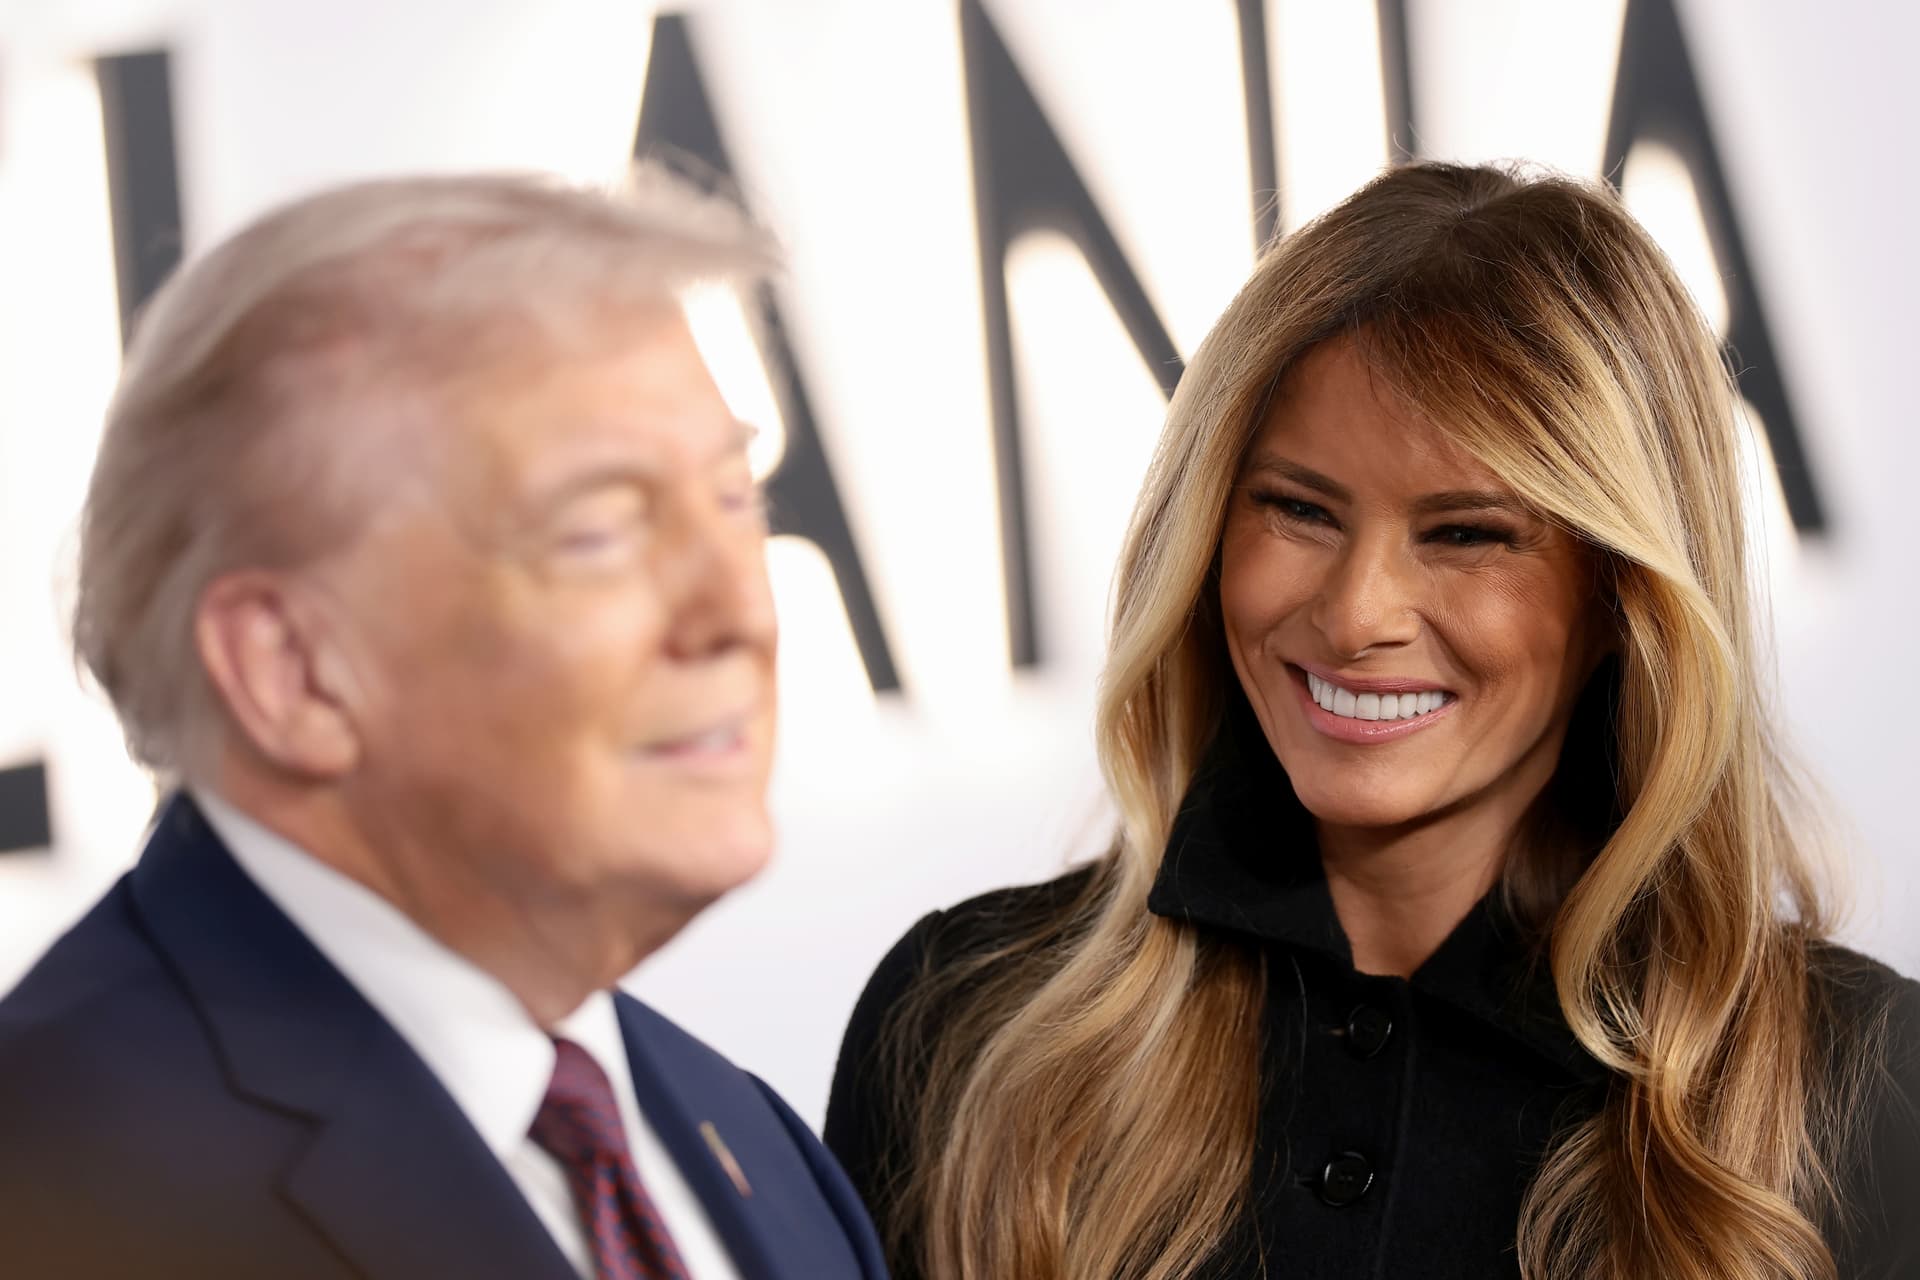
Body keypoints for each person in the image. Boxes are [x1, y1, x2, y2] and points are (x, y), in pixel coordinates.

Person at [825, 162, 1920, 1280]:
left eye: (1465, 534)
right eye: (1297, 510)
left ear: (1620, 594)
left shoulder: (1864, 1090)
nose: (1355, 615)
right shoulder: (963, 1019)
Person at [0, 168, 887, 1280]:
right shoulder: (55, 1185)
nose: (740, 611)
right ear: (294, 673)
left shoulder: (750, 1138)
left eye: (733, 499)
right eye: (602, 530)